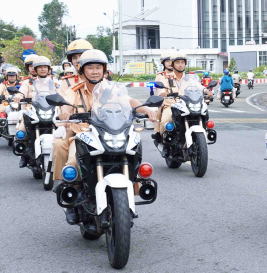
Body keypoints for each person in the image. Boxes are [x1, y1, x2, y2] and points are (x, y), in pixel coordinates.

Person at [51, 49, 157, 224]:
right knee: (73, 164)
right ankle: (70, 203)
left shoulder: (112, 88)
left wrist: (147, 110)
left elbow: (129, 101)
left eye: (98, 67)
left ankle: (132, 187)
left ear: (104, 70)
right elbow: (66, 105)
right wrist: (64, 113)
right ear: (82, 70)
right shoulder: (74, 90)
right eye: (90, 68)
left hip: (112, 132)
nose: (95, 71)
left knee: (134, 150)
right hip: (83, 135)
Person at [15, 55, 55, 168]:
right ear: (35, 69)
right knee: (21, 129)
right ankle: (25, 154)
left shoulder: (53, 82)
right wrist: (19, 95)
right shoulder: (28, 83)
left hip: (50, 111)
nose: (43, 69)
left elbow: (61, 93)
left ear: (48, 69)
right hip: (31, 111)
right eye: (40, 67)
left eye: (45, 67)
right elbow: (21, 92)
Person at [152, 50, 176, 139]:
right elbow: (158, 87)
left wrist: (204, 90)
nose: (170, 63)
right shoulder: (160, 76)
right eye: (167, 61)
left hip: (182, 102)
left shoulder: (182, 74)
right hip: (168, 103)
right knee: (164, 120)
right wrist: (162, 92)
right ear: (163, 63)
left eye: (172, 61)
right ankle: (161, 135)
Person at [0, 66, 21, 134]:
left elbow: (24, 93)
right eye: (10, 76)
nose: (11, 77)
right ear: (7, 77)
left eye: (13, 75)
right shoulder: (3, 84)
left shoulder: (20, 84)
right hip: (6, 104)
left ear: (16, 76)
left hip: (19, 104)